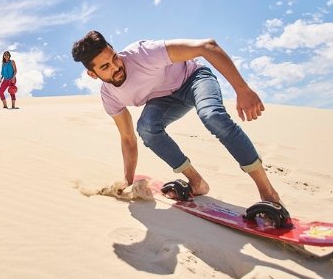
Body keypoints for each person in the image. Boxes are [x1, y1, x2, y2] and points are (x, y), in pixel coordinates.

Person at [71, 30, 283, 207]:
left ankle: (269, 193)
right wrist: (128, 180)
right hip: (164, 99)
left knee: (213, 116)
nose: (116, 67)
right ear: (92, 74)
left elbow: (207, 46)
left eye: (114, 58)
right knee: (146, 129)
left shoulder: (141, 53)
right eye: (105, 67)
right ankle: (197, 183)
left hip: (193, 79)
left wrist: (242, 89)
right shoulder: (110, 96)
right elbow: (127, 139)